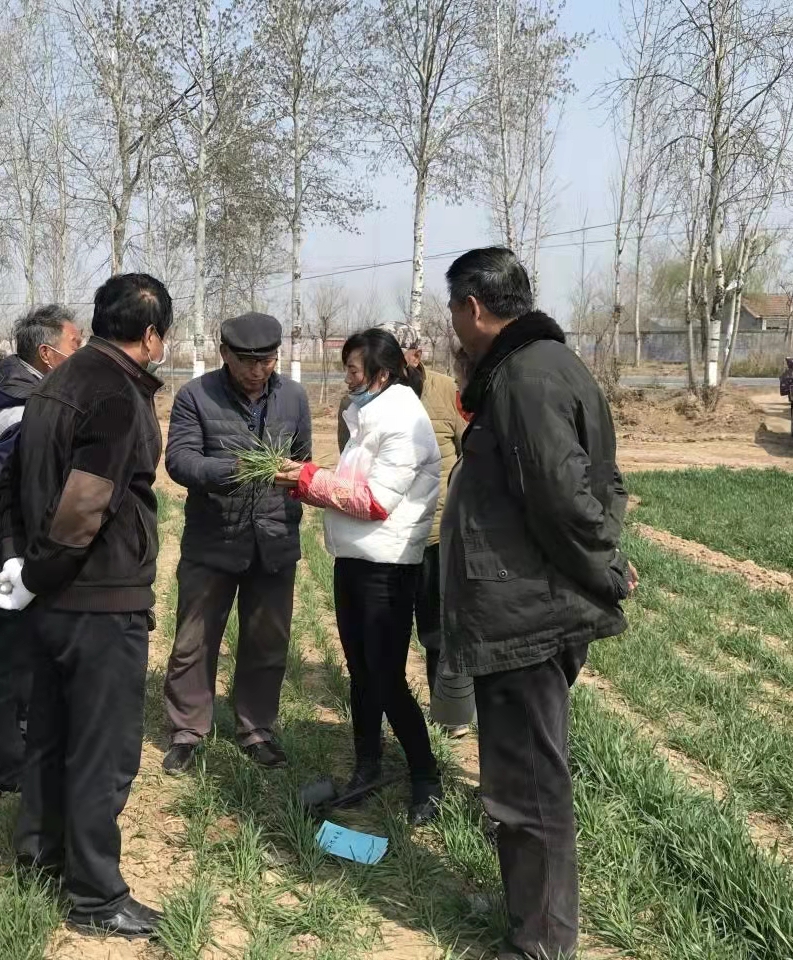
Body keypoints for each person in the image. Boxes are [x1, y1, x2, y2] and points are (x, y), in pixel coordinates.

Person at [442, 247, 635, 960]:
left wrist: (605, 568)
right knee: (524, 779)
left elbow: (563, 498)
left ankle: (542, 944)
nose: (453, 324)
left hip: (524, 613)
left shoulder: (525, 376)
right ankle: (531, 913)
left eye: (452, 311)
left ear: (472, 307)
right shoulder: (548, 365)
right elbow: (597, 485)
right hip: (529, 604)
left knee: (528, 787)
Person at [0, 273, 171, 940]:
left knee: (50, 732)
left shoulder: (53, 383)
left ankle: (39, 855)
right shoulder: (115, 395)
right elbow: (84, 507)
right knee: (104, 750)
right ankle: (96, 895)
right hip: (99, 597)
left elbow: (9, 485)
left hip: (52, 598)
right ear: (150, 335)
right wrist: (39, 568)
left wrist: (19, 564)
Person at [277, 328, 443, 825]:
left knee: (387, 678)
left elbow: (373, 500)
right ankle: (367, 764)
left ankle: (426, 777)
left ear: (382, 373)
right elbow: (352, 484)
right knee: (362, 673)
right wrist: (306, 480)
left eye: (352, 370)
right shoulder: (370, 415)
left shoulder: (404, 422)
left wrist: (307, 478)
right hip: (354, 560)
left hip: (387, 568)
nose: (346, 378)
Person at [162, 312, 312, 775]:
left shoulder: (293, 397)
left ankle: (257, 728)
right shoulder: (196, 395)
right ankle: (188, 731)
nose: (257, 370)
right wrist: (235, 470)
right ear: (224, 353)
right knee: (194, 639)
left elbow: (302, 458)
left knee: (268, 640)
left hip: (274, 539)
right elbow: (180, 461)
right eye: (247, 360)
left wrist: (296, 477)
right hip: (214, 539)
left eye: (267, 360)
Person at [0, 305, 82, 794]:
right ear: (47, 355)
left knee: (23, 654)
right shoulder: (25, 410)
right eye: (75, 345)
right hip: (4, 556)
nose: (80, 353)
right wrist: (1, 545)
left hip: (7, 549)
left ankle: (20, 749)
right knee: (8, 662)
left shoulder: (13, 392)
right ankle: (6, 770)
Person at [335, 323, 470, 733]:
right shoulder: (358, 405)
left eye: (405, 351)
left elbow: (466, 452)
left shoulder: (442, 392)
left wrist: (312, 484)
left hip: (434, 533)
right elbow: (352, 464)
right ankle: (373, 751)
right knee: (374, 661)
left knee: (435, 629)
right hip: (380, 541)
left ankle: (446, 713)